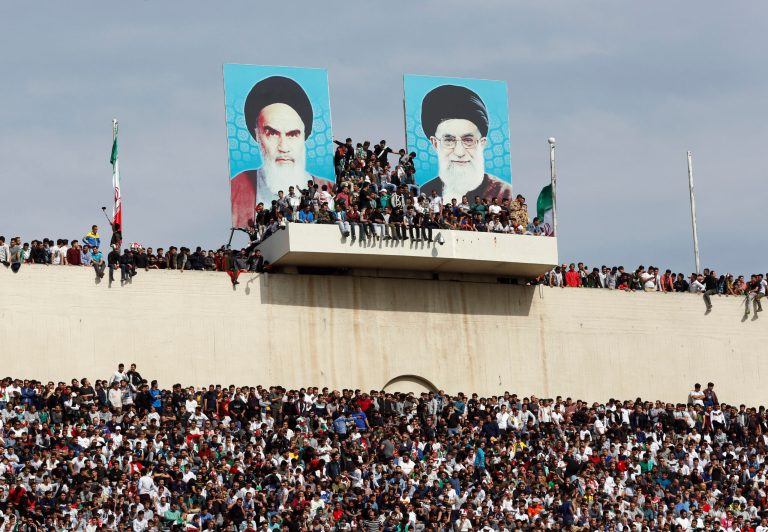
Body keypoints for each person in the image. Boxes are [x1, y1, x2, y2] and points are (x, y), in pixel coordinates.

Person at [230, 76, 335, 228]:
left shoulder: (329, 188)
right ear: (257, 136)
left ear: (305, 135)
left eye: (293, 134)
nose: (283, 147)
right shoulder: (237, 189)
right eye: (272, 133)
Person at [418, 84, 513, 202]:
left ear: (482, 143)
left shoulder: (506, 195)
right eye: (449, 140)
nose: (459, 152)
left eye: (468, 140)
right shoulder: (423, 194)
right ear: (435, 143)